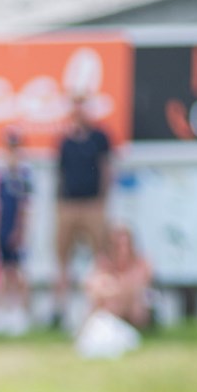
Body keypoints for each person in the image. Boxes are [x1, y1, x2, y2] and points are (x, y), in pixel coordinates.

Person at [52, 94, 112, 330]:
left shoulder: (99, 137)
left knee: (101, 257)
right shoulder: (64, 141)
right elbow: (60, 174)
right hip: (68, 205)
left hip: (92, 204)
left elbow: (107, 169)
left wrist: (102, 200)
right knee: (62, 259)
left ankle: (101, 308)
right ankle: (60, 311)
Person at [77, 225, 152, 359]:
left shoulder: (141, 262)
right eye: (117, 245)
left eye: (125, 244)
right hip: (110, 310)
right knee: (107, 303)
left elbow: (138, 285)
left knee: (129, 300)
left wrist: (114, 288)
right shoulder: (102, 263)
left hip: (134, 312)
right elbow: (92, 287)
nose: (122, 249)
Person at [0, 128, 33, 337]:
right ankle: (1, 311)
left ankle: (21, 312)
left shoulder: (23, 174)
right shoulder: (1, 174)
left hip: (15, 230)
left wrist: (20, 231)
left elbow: (26, 206)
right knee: (3, 272)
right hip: (2, 229)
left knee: (18, 272)